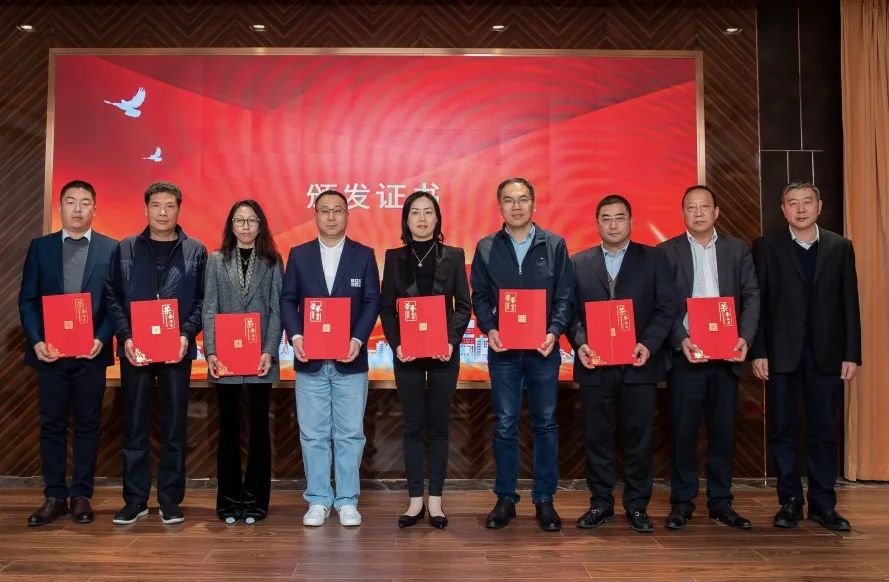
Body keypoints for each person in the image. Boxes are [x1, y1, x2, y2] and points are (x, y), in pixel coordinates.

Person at [751, 181, 861, 532]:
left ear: (819, 206)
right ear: (783, 209)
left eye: (807, 202)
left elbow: (850, 302)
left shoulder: (840, 246)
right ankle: (790, 502)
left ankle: (823, 504)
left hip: (827, 354)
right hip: (780, 354)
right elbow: (758, 303)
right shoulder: (766, 246)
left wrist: (852, 354)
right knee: (783, 430)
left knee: (824, 431)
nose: (800, 209)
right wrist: (758, 351)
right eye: (793, 203)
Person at [567, 194, 677, 533]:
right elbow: (568, 312)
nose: (613, 225)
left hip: (639, 364)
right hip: (595, 365)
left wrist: (648, 345)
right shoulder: (578, 262)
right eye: (606, 218)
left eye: (619, 218)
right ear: (596, 224)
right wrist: (581, 343)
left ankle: (637, 506)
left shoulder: (654, 258)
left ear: (631, 221)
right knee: (596, 439)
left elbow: (666, 308)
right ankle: (600, 504)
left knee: (638, 439)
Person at [470, 177, 574, 532]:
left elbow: (564, 296)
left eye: (523, 199)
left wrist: (554, 331)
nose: (516, 206)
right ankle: (505, 498)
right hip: (503, 351)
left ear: (534, 204)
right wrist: (490, 329)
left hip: (543, 351)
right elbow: (480, 296)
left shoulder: (554, 244)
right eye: (509, 200)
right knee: (505, 424)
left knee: (546, 423)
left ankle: (545, 499)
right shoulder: (486, 247)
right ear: (499, 206)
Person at [105, 181, 207, 525]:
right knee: (134, 426)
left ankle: (170, 500)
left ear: (179, 209)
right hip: (135, 350)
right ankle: (135, 501)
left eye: (169, 206)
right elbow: (112, 296)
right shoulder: (125, 248)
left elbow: (202, 300)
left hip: (177, 350)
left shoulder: (195, 251)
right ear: (146, 208)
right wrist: (125, 337)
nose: (162, 212)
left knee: (174, 427)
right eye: (156, 206)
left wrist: (186, 334)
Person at [658, 185, 759, 530]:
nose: (698, 213)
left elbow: (751, 295)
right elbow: (662, 304)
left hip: (727, 354)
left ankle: (720, 502)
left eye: (704, 207)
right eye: (691, 207)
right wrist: (680, 338)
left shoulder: (737, 249)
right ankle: (682, 503)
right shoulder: (666, 252)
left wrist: (745, 338)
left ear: (716, 212)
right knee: (683, 432)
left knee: (723, 433)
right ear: (682, 213)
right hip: (687, 354)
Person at [18, 180, 118, 526]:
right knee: (52, 425)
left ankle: (81, 496)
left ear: (95, 209)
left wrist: (102, 337)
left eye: (85, 202)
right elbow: (27, 300)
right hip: (51, 353)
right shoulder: (41, 247)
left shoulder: (111, 248)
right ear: (60, 207)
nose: (77, 209)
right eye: (71, 202)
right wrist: (36, 341)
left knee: (89, 424)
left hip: (91, 353)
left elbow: (116, 302)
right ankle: (54, 496)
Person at [280, 190, 380, 527]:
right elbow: (287, 299)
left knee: (350, 433)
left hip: (350, 360)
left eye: (338, 210)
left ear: (348, 215)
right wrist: (296, 336)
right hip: (310, 360)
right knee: (313, 434)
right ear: (316, 216)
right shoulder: (299, 255)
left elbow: (372, 301)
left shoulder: (363, 255)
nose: (332, 216)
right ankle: (318, 499)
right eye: (325, 210)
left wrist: (357, 339)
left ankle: (347, 500)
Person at [380, 191, 471, 529]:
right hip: (407, 354)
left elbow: (463, 306)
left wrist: (450, 340)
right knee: (413, 426)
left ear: (437, 218)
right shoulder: (394, 257)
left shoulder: (454, 256)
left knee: (439, 426)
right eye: (415, 212)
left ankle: (436, 502)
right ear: (406, 219)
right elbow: (387, 308)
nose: (422, 218)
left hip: (444, 352)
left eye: (428, 212)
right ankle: (415, 500)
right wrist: (397, 344)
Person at [202, 200, 283, 525]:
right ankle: (229, 502)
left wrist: (269, 351)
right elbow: (209, 308)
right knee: (229, 431)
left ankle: (256, 502)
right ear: (231, 226)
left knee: (260, 430)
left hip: (261, 359)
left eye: (252, 220)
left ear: (260, 225)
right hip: (225, 360)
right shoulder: (216, 260)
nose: (246, 226)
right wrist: (211, 353)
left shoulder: (272, 261)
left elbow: (277, 309)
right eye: (240, 220)